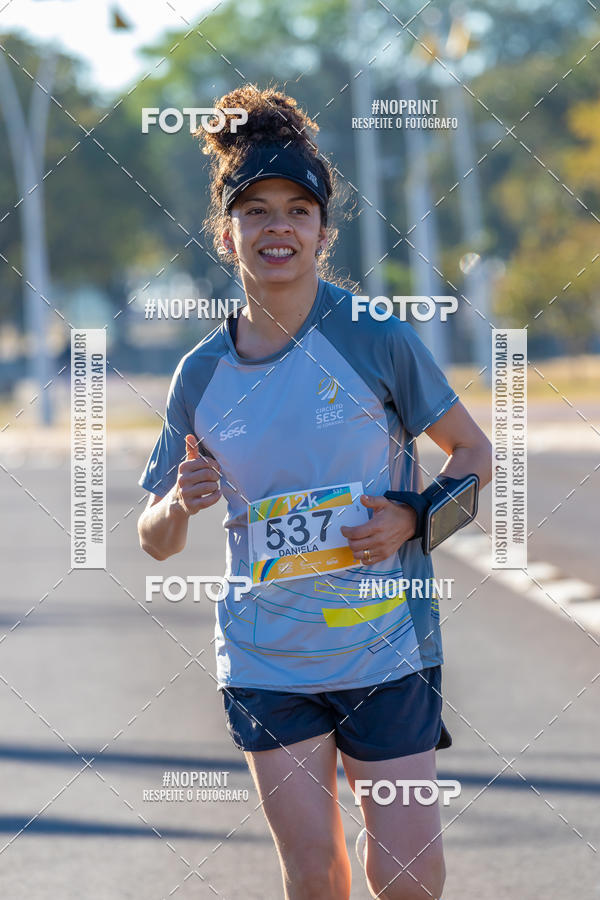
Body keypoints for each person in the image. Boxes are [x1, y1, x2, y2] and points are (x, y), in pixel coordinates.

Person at [137, 85, 492, 900]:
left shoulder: (375, 335)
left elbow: (473, 453)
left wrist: (414, 518)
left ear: (324, 233)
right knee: (313, 874)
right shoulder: (201, 373)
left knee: (409, 874)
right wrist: (179, 506)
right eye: (256, 212)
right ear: (228, 235)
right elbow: (153, 537)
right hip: (266, 657)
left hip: (386, 650)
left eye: (298, 211)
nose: (278, 228)